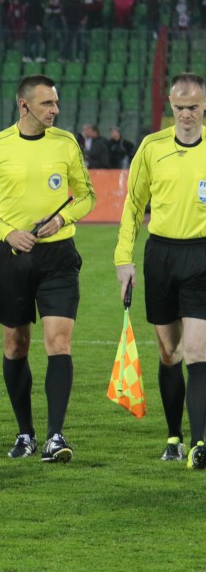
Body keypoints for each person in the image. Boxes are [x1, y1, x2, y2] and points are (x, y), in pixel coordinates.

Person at [0, 74, 96, 463]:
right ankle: (25, 434)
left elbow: (87, 195)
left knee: (59, 342)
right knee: (15, 345)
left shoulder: (66, 142)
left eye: (55, 103)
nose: (55, 110)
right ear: (24, 105)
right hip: (12, 256)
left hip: (59, 257)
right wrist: (8, 233)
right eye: (47, 104)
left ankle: (55, 436)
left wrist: (63, 218)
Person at [114, 73, 206, 467]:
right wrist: (123, 259)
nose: (186, 114)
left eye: (193, 107)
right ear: (171, 104)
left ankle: (200, 444)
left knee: (197, 352)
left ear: (205, 105)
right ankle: (174, 437)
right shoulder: (152, 148)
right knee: (170, 353)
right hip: (161, 257)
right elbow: (134, 207)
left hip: (201, 256)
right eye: (180, 107)